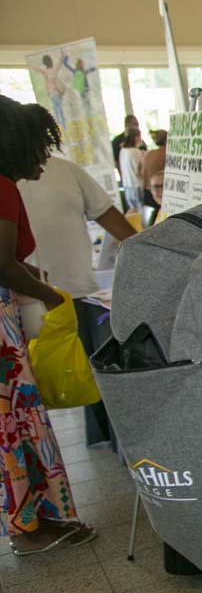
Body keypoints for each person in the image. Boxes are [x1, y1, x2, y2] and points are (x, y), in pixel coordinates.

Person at [0, 96, 95, 556]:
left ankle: (31, 520)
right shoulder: (2, 187)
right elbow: (1, 263)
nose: (44, 157)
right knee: (16, 422)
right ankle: (32, 526)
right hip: (3, 332)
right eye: (41, 147)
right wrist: (49, 295)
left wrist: (30, 276)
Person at [20, 154, 136, 297]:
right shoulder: (6, 184)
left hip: (80, 292)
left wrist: (151, 257)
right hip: (22, 301)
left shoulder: (67, 170)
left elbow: (109, 217)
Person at [117, 127, 145, 212]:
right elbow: (138, 171)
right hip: (137, 185)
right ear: (136, 137)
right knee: (141, 212)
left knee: (133, 211)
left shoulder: (123, 151)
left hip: (127, 186)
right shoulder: (136, 152)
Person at [140, 129, 168, 202]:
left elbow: (138, 172)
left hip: (146, 193)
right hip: (159, 194)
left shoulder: (148, 154)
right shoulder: (167, 154)